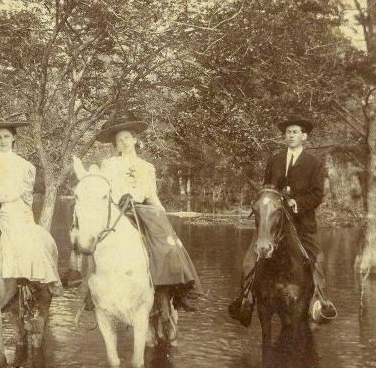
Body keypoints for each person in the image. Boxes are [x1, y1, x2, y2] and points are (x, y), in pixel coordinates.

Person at [79, 113, 203, 339]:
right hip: (116, 211)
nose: (124, 142)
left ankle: (173, 292)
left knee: (168, 244)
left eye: (127, 137)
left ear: (135, 139)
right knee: (94, 240)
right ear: (115, 145)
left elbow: (151, 195)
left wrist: (163, 216)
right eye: (119, 140)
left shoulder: (147, 166)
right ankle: (92, 293)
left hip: (143, 209)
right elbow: (103, 191)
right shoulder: (109, 164)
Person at [228, 116, 336, 327]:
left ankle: (320, 302)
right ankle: (245, 299)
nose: (291, 136)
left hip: (301, 222)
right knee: (250, 257)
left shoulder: (314, 163)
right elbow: (267, 188)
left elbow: (317, 195)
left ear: (304, 136)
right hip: (274, 222)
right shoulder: (275, 160)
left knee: (317, 258)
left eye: (295, 132)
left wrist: (297, 203)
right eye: (288, 132)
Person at [0, 118, 64, 297]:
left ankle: (33, 284)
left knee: (31, 238)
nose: (2, 140)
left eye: (6, 136)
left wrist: (27, 221)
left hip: (18, 214)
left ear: (14, 138)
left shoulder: (26, 166)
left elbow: (27, 201)